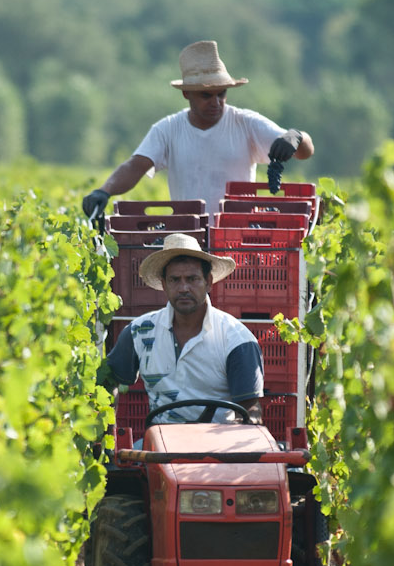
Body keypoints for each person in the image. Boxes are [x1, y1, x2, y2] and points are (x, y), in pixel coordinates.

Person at [82, 40, 314, 221]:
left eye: (221, 93)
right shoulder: (168, 129)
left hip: (237, 233)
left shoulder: (246, 123)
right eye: (206, 95)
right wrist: (104, 191)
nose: (216, 102)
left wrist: (296, 137)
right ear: (187, 94)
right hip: (187, 234)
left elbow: (304, 151)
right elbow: (136, 166)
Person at [105, 232, 264, 424]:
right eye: (174, 280)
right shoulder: (138, 332)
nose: (183, 288)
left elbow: (250, 409)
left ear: (208, 282)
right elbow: (108, 379)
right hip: (158, 447)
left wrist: (240, 431)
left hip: (218, 448)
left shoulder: (236, 339)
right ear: (164, 284)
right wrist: (106, 432)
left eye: (192, 279)